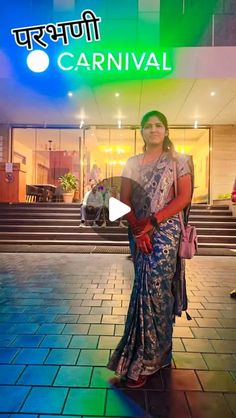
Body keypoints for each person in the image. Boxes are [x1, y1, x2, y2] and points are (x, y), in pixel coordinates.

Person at [107, 110, 194, 388]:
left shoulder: (179, 161)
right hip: (139, 231)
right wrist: (137, 229)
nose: (153, 130)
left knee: (157, 289)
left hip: (165, 231)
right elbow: (123, 200)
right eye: (148, 126)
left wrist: (153, 223)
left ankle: (153, 357)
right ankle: (143, 355)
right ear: (141, 131)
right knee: (142, 288)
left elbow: (183, 197)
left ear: (166, 131)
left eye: (158, 126)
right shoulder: (132, 162)